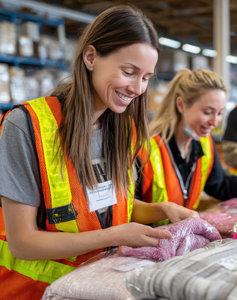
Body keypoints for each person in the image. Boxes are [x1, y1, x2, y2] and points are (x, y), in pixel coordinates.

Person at [0, 6, 197, 298]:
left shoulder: (123, 130)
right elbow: (22, 242)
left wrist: (161, 209)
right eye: (129, 72)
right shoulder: (26, 126)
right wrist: (116, 235)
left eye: (145, 77)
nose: (138, 88)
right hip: (36, 292)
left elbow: (108, 208)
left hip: (99, 287)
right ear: (91, 57)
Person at [136, 69, 237, 212]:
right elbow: (129, 209)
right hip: (147, 239)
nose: (215, 122)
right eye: (208, 112)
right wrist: (165, 211)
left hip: (180, 235)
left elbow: (221, 185)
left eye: (220, 113)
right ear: (181, 105)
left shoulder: (204, 144)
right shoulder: (147, 151)